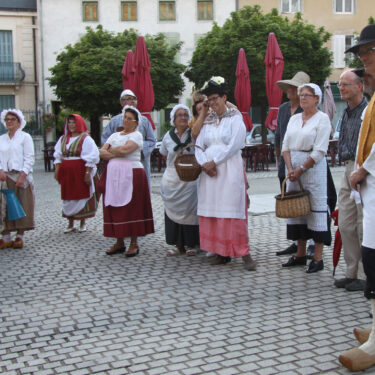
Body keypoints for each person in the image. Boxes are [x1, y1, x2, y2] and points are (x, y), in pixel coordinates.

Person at [339, 23, 375, 372]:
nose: (364, 58)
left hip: (370, 176)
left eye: (368, 52)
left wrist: (364, 167)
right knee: (370, 247)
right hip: (366, 180)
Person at [195, 76, 257, 271]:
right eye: (209, 100)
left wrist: (214, 161)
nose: (212, 103)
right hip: (209, 172)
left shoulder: (235, 118)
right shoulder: (209, 120)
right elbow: (198, 143)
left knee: (231, 207)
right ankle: (220, 252)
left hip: (228, 167)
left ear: (224, 97)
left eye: (215, 98)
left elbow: (235, 144)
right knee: (213, 208)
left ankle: (243, 252)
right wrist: (204, 163)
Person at [281, 83, 332, 273]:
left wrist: (301, 169)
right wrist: (290, 169)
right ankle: (300, 254)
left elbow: (320, 150)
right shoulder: (294, 119)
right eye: (301, 95)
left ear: (317, 98)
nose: (302, 98)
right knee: (297, 211)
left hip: (312, 170)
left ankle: (317, 258)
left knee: (315, 209)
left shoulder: (322, 119)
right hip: (293, 168)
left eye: (307, 95)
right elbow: (285, 145)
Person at [100, 105, 154, 256]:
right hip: (113, 174)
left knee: (132, 207)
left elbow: (125, 150)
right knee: (115, 206)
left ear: (136, 123)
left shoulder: (136, 135)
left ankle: (134, 242)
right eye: (125, 117)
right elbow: (101, 153)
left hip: (132, 173)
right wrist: (116, 151)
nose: (126, 120)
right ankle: (119, 241)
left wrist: (113, 151)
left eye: (130, 119)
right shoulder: (114, 136)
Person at [334, 70, 368, 292]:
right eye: (340, 85)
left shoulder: (368, 110)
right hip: (347, 167)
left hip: (364, 169)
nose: (342, 88)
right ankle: (351, 271)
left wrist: (363, 170)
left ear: (360, 86)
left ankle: (365, 275)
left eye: (346, 85)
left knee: (363, 224)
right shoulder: (346, 112)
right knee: (345, 223)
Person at [274, 71, 310, 257]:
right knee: (290, 202)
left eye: (293, 87)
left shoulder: (307, 110)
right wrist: (280, 160)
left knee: (305, 201)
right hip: (284, 161)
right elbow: (279, 136)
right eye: (288, 86)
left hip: (303, 161)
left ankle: (309, 242)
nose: (289, 89)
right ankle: (296, 242)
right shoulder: (283, 109)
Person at [160, 104, 200, 256]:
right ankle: (178, 245)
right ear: (173, 119)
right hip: (173, 179)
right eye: (179, 115)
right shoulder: (167, 136)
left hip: (190, 179)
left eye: (185, 115)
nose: (183, 117)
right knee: (172, 212)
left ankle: (191, 243)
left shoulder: (194, 134)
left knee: (191, 212)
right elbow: (164, 153)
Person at [101, 89, 156, 188]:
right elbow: (105, 139)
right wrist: (117, 151)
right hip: (118, 163)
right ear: (122, 103)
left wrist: (136, 148)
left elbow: (152, 141)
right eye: (128, 99)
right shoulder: (114, 121)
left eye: (134, 99)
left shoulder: (144, 121)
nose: (132, 101)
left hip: (139, 162)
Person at [54, 114, 99, 233]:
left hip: (80, 170)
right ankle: (70, 223)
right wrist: (57, 170)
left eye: (74, 122)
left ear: (79, 123)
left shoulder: (85, 138)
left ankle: (82, 222)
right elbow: (58, 155)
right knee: (68, 195)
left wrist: (88, 173)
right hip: (67, 171)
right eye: (69, 123)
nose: (71, 125)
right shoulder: (63, 138)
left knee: (81, 194)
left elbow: (92, 156)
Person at [0, 109, 35, 249]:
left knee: (21, 204)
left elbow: (29, 157)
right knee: (4, 207)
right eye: (7, 119)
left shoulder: (25, 137)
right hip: (5, 176)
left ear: (19, 122)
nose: (9, 122)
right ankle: (6, 236)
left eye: (12, 119)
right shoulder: (1, 138)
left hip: (20, 176)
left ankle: (19, 236)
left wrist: (23, 175)